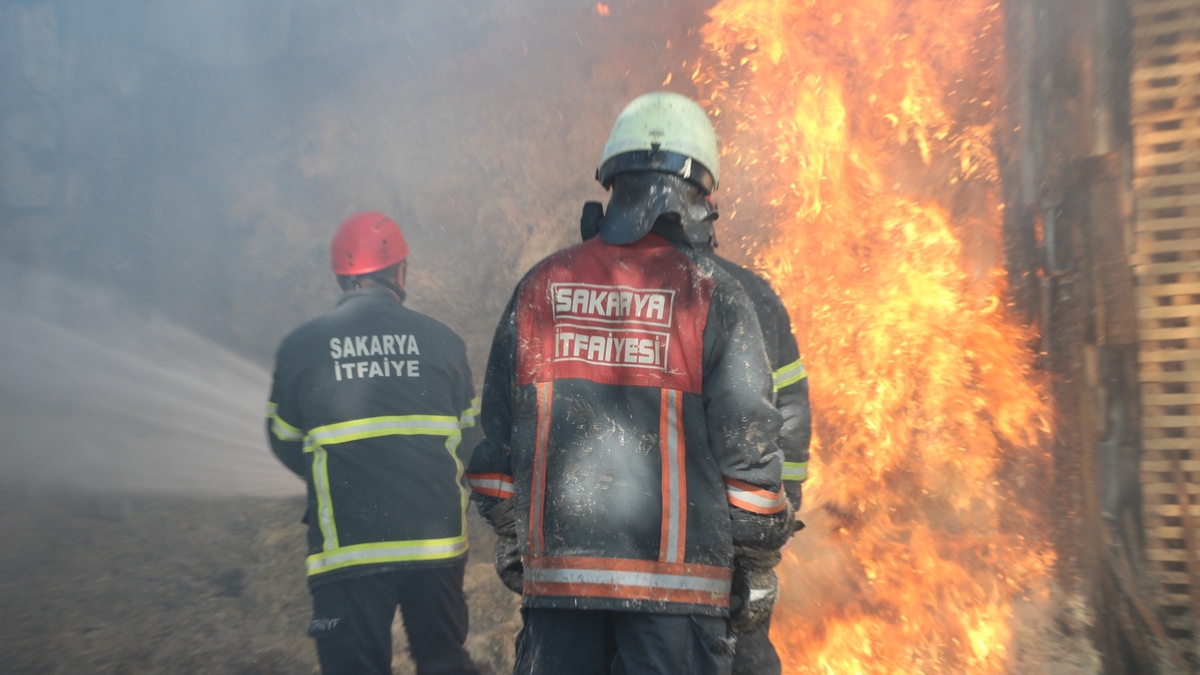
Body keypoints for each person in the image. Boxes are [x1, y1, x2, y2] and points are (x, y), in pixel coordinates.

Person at [466, 92, 792, 675]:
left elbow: (494, 449)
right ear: (701, 198)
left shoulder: (540, 287)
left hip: (560, 592)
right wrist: (758, 565)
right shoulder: (713, 297)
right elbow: (750, 457)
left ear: (612, 185)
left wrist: (515, 535)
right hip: (678, 597)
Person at [266, 211, 481, 675]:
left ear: (341, 277)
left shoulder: (301, 346)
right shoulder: (443, 341)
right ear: (400, 271)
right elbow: (471, 440)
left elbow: (284, 441)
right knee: (444, 662)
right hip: (435, 547)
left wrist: (345, 469)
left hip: (349, 549)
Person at [682, 211, 812, 675]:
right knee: (742, 654)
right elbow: (790, 413)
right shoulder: (751, 292)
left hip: (642, 544)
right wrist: (776, 519)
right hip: (731, 535)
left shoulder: (608, 286)